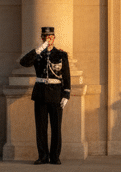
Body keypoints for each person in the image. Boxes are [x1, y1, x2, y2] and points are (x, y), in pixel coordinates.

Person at [20, 26, 71, 165]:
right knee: (41, 128)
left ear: (54, 38)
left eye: (50, 37)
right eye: (45, 37)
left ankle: (55, 156)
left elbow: (66, 76)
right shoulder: (38, 55)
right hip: (40, 95)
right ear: (42, 38)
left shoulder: (61, 55)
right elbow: (23, 62)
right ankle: (43, 156)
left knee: (56, 128)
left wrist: (66, 94)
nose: (48, 39)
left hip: (56, 95)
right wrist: (39, 49)